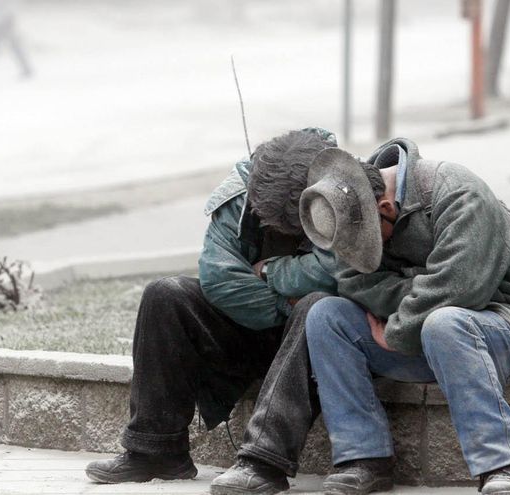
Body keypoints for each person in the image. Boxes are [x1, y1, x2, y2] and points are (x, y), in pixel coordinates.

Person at [298, 139, 510, 495]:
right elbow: (355, 284)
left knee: (444, 322)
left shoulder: (457, 191)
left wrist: (397, 330)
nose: (360, 256)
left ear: (385, 207)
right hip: (425, 335)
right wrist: (424, 287)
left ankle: (501, 467)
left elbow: (461, 287)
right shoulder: (348, 211)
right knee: (326, 316)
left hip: (507, 328)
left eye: (369, 245)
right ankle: (363, 459)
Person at [84, 128, 339, 485]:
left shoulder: (342, 189)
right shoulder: (243, 189)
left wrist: (268, 271)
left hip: (316, 344)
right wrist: (286, 301)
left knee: (315, 307)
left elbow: (337, 272)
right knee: (164, 293)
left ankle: (263, 463)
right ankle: (156, 451)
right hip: (250, 327)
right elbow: (220, 279)